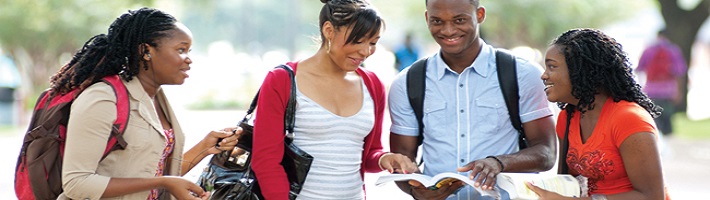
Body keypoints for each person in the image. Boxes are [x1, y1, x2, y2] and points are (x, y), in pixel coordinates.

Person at [57, 8, 241, 200]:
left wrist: (205, 147)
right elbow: (77, 183)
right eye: (181, 50)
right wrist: (162, 183)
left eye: (189, 51)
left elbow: (155, 170)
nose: (189, 59)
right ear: (146, 51)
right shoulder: (102, 98)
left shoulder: (157, 99)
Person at [388, 0, 557, 199]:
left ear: (480, 15)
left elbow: (546, 153)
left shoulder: (521, 73)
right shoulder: (407, 82)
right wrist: (415, 191)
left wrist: (499, 162)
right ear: (427, 18)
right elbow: (403, 159)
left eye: (459, 20)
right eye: (437, 21)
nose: (448, 30)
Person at [250, 0, 418, 199]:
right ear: (329, 30)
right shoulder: (282, 80)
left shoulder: (373, 86)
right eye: (358, 40)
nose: (365, 51)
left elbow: (369, 153)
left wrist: (385, 158)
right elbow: (265, 161)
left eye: (372, 43)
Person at [528, 28, 666, 199]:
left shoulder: (629, 119)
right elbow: (566, 184)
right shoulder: (568, 117)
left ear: (581, 70)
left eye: (552, 67)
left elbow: (652, 196)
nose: (544, 75)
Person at [635, 29, 687, 136]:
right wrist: (679, 91)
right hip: (668, 90)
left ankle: (656, 141)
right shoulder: (673, 50)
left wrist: (641, 88)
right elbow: (679, 72)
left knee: (654, 118)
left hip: (652, 90)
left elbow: (639, 69)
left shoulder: (649, 50)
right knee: (667, 118)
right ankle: (668, 141)